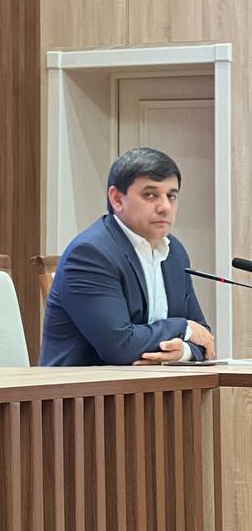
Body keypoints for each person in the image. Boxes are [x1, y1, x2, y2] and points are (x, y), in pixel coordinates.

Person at [39, 147, 215, 367]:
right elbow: (120, 347)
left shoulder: (174, 252)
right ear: (116, 199)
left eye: (171, 196)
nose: (165, 207)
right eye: (150, 195)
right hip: (85, 387)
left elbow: (203, 337)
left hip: (153, 384)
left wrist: (183, 352)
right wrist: (182, 328)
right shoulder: (90, 254)